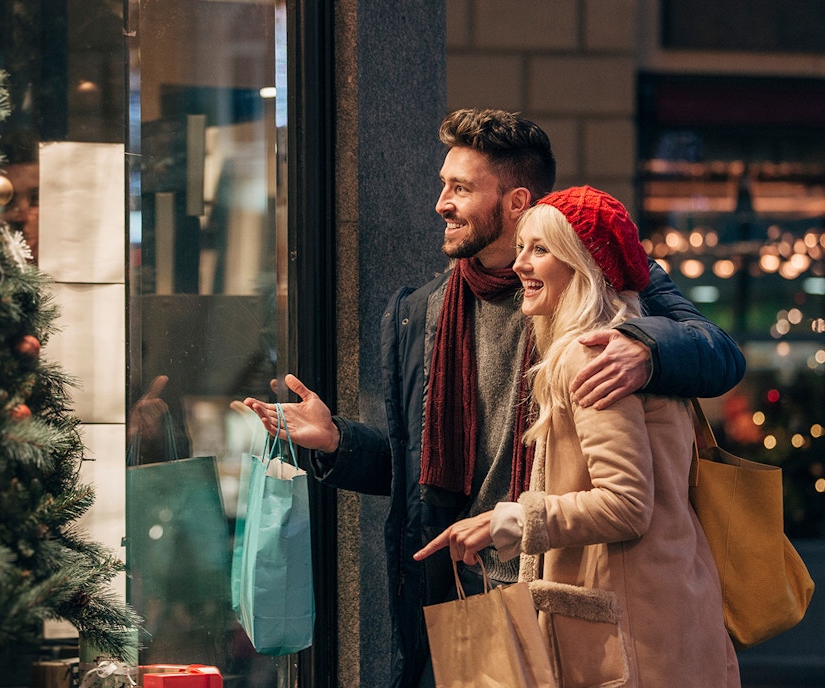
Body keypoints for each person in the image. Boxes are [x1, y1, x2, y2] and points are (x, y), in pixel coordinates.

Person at [243, 108, 745, 687]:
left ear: (516, 202)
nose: (441, 203)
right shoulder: (422, 313)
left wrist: (644, 347)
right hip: (472, 588)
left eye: (460, 188)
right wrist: (336, 441)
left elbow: (720, 353)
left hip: (572, 587)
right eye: (442, 185)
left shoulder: (608, 284)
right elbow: (420, 466)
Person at [415, 185, 741, 686]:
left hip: (633, 639)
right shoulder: (629, 340)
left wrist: (510, 520)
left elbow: (626, 504)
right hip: (663, 612)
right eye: (522, 247)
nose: (520, 264)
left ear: (585, 264)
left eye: (540, 250)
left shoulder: (591, 353)